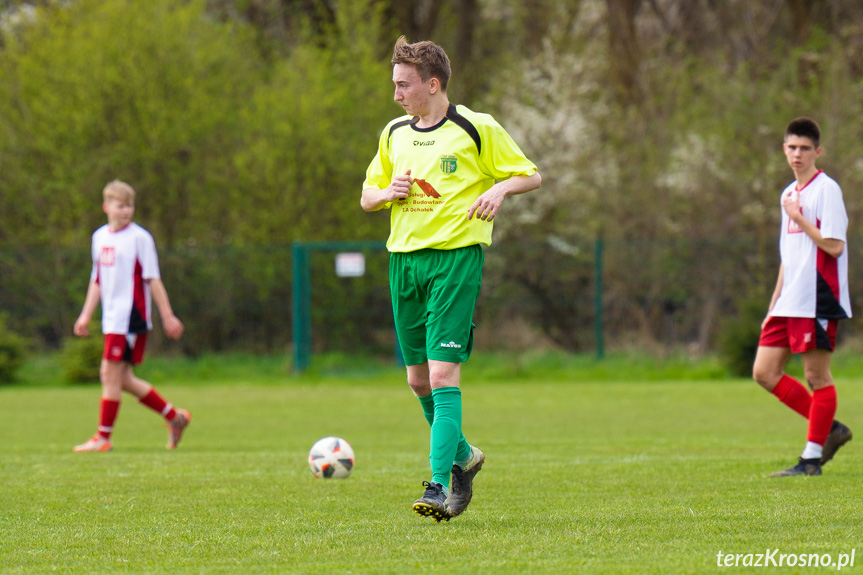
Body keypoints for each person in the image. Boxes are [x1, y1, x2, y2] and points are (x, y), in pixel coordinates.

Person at [361, 36, 541, 521]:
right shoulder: (394, 132)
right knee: (418, 381)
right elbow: (366, 195)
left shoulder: (475, 127)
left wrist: (501, 189)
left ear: (432, 84)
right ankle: (464, 455)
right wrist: (385, 194)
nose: (396, 94)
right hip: (404, 261)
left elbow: (531, 175)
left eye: (404, 85)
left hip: (455, 260)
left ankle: (440, 484)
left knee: (442, 374)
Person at [752, 117, 852, 477]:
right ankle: (829, 428)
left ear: (817, 151)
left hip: (817, 297)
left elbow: (835, 246)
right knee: (764, 372)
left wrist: (800, 218)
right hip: (788, 300)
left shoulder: (827, 190)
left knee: (816, 377)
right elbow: (787, 257)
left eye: (805, 148)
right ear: (784, 149)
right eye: (792, 147)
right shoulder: (787, 193)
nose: (797, 154)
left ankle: (811, 460)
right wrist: (772, 305)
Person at [72, 180, 191, 452]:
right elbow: (97, 280)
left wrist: (168, 315)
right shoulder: (99, 237)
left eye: (130, 206)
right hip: (111, 319)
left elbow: (153, 279)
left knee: (108, 374)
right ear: (106, 207)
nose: (126, 211)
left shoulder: (140, 238)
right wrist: (85, 315)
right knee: (122, 380)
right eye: (120, 205)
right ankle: (176, 417)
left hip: (131, 319)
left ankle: (103, 438)